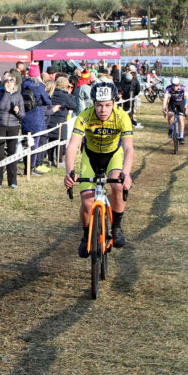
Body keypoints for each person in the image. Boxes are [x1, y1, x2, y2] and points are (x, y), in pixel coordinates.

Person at [63, 80, 135, 253]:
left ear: (113, 104)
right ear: (93, 103)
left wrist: (126, 173)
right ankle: (87, 235)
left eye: (108, 105)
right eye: (99, 105)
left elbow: (128, 148)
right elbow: (72, 146)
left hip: (113, 156)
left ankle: (116, 227)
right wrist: (69, 171)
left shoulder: (122, 116)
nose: (103, 110)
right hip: (91, 156)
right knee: (87, 201)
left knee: (117, 184)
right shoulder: (85, 116)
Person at [0, 75, 25, 189]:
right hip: (0, 125)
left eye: (12, 80)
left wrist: (17, 112)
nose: (9, 82)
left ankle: (12, 181)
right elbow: (0, 106)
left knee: (12, 153)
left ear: (15, 83)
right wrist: (7, 93)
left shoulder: (19, 96)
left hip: (13, 126)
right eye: (7, 80)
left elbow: (22, 115)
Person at [21, 65, 53, 175]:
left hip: (25, 117)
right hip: (36, 117)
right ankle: (31, 168)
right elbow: (47, 101)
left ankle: (26, 167)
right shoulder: (39, 85)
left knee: (27, 143)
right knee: (35, 144)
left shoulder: (23, 84)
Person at [48, 75, 78, 166]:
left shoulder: (51, 93)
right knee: (61, 140)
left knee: (51, 140)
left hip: (51, 118)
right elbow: (74, 106)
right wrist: (70, 94)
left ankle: (50, 160)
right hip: (61, 119)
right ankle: (59, 160)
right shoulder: (66, 96)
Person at [162, 76, 188, 143]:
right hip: (172, 102)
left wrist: (186, 107)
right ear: (171, 84)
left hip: (181, 102)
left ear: (179, 83)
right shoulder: (168, 88)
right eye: (174, 85)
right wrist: (164, 107)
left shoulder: (183, 88)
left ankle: (181, 136)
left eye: (177, 85)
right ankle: (171, 128)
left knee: (180, 118)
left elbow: (186, 98)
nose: (175, 87)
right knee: (170, 115)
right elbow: (165, 99)